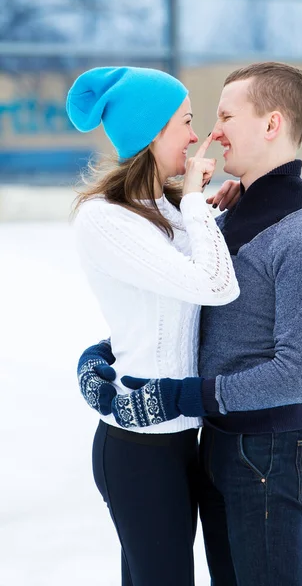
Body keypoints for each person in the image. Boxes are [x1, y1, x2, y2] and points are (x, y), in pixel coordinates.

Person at [77, 62, 302, 585]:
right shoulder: (227, 213)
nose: (211, 134)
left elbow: (294, 374)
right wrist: (106, 353)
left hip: (269, 448)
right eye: (197, 120)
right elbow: (174, 313)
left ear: (271, 125)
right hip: (215, 443)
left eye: (223, 116)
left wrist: (180, 396)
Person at [68, 66, 240, 586]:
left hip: (185, 437)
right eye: (185, 122)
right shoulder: (106, 218)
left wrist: (203, 210)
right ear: (152, 132)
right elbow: (214, 286)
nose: (195, 136)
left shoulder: (161, 208)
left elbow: (180, 307)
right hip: (139, 446)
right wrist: (194, 205)